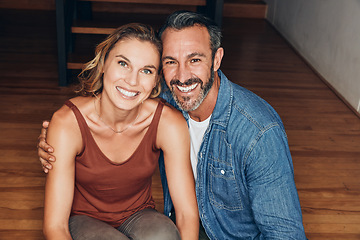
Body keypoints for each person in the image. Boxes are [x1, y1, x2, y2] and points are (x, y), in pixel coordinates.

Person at [38, 11, 307, 239]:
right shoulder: (164, 97)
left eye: (195, 59)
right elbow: (56, 223)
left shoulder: (258, 131)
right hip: (126, 222)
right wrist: (55, 141)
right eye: (170, 62)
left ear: (216, 59)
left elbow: (285, 232)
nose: (182, 75)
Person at [41, 23, 199, 240]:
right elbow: (54, 226)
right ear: (104, 64)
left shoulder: (168, 123)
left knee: (164, 234)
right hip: (82, 219)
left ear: (155, 82)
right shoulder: (68, 123)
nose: (132, 81)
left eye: (146, 71)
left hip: (139, 215)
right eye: (123, 63)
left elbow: (186, 212)